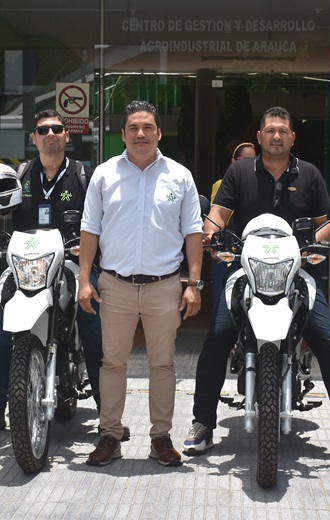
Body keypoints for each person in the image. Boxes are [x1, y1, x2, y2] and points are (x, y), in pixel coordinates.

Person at [182, 105, 330, 465]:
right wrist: (213, 235)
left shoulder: (310, 174)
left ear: (292, 137)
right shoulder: (239, 171)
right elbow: (218, 216)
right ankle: (202, 423)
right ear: (260, 136)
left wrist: (312, 243)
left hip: (298, 272)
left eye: (283, 131)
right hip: (246, 270)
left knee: (328, 342)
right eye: (270, 130)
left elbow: (325, 221)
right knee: (218, 336)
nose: (276, 136)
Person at [0, 110, 107, 436]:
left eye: (57, 129)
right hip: (26, 266)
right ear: (34, 137)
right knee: (3, 334)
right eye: (43, 129)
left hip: (73, 263)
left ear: (67, 135)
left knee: (92, 324)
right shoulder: (19, 176)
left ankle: (106, 413)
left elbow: (104, 218)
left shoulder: (86, 176)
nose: (50, 134)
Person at [78, 100, 203, 468]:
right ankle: (109, 436)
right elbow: (90, 231)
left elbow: (193, 232)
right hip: (114, 285)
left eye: (147, 127)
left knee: (162, 364)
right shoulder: (104, 175)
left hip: (164, 286)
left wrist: (193, 283)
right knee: (112, 363)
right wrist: (85, 280)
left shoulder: (179, 176)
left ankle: (160, 438)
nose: (140, 134)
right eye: (133, 127)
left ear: (160, 132)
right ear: (123, 134)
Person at [210, 141, 256, 314]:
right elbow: (220, 216)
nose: (249, 164)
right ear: (233, 160)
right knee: (222, 300)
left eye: (253, 159)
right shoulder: (222, 184)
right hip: (230, 245)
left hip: (254, 247)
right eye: (244, 159)